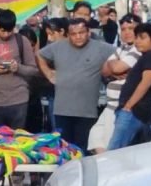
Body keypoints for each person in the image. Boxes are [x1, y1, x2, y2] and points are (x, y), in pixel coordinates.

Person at [36, 17, 113, 152]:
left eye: (81, 32)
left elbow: (119, 56)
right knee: (65, 150)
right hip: (62, 110)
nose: (78, 37)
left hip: (87, 112)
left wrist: (113, 72)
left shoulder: (101, 48)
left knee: (83, 150)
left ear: (88, 32)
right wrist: (48, 73)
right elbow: (39, 55)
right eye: (73, 34)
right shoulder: (58, 47)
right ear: (68, 34)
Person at [87, 13, 141, 153]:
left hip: (121, 108)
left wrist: (113, 67)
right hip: (110, 106)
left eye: (131, 28)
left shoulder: (138, 50)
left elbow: (117, 68)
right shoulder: (122, 48)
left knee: (112, 149)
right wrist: (112, 68)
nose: (127, 32)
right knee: (96, 138)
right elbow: (104, 70)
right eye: (123, 29)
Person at [108, 22, 151, 149]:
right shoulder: (146, 56)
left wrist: (129, 106)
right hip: (132, 111)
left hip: (133, 112)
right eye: (137, 37)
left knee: (114, 150)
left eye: (142, 38)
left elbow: (146, 83)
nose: (138, 41)